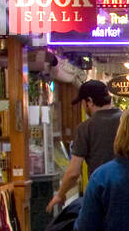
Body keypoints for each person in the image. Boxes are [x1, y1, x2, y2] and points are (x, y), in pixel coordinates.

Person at [48, 80, 121, 211]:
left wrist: (60, 194)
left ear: (90, 101)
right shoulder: (128, 120)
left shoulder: (86, 128)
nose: (82, 106)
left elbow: (73, 172)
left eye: (82, 103)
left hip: (100, 195)